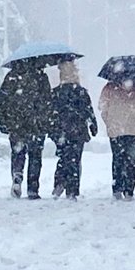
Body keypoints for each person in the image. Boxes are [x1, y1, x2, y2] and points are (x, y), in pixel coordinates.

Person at [0, 59, 52, 199]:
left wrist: (4, 122)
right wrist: (46, 121)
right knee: (35, 156)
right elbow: (47, 101)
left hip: (16, 124)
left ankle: (17, 175)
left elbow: (2, 101)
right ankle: (33, 189)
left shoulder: (11, 77)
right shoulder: (40, 77)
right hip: (36, 125)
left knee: (18, 153)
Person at [49, 60, 98, 201]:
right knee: (75, 159)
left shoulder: (56, 93)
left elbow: (51, 113)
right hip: (78, 131)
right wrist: (93, 124)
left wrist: (52, 129)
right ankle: (72, 189)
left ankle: (59, 182)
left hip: (61, 131)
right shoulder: (81, 92)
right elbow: (88, 110)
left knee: (63, 157)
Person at [99, 81, 135, 201]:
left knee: (118, 159)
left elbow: (102, 106)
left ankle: (117, 188)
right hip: (134, 128)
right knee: (131, 160)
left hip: (116, 129)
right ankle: (129, 190)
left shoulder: (110, 87)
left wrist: (109, 120)